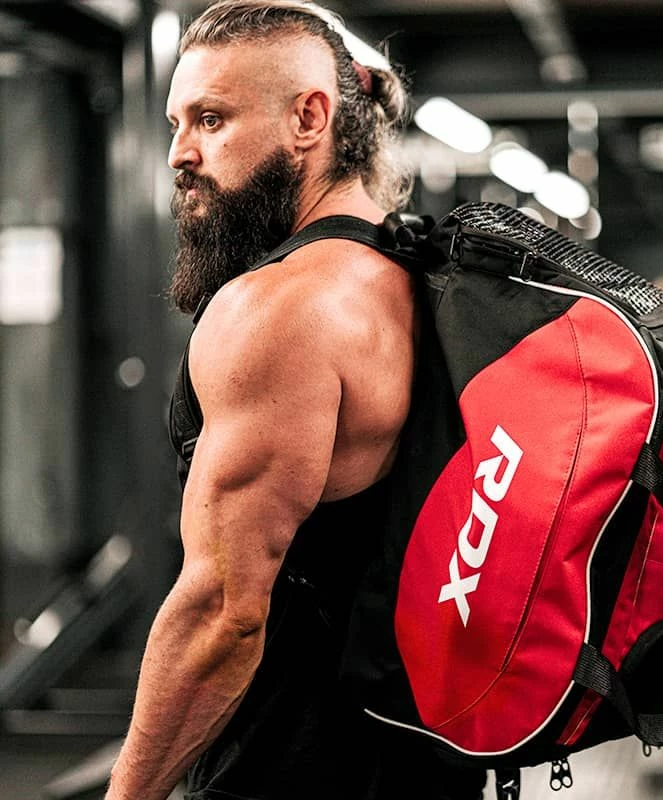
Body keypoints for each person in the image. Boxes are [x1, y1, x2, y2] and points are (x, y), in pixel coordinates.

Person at [104, 2, 487, 799]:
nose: (179, 153)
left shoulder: (280, 311)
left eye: (212, 119)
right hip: (430, 763)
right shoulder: (423, 276)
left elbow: (223, 613)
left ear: (309, 118)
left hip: (292, 772)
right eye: (177, 123)